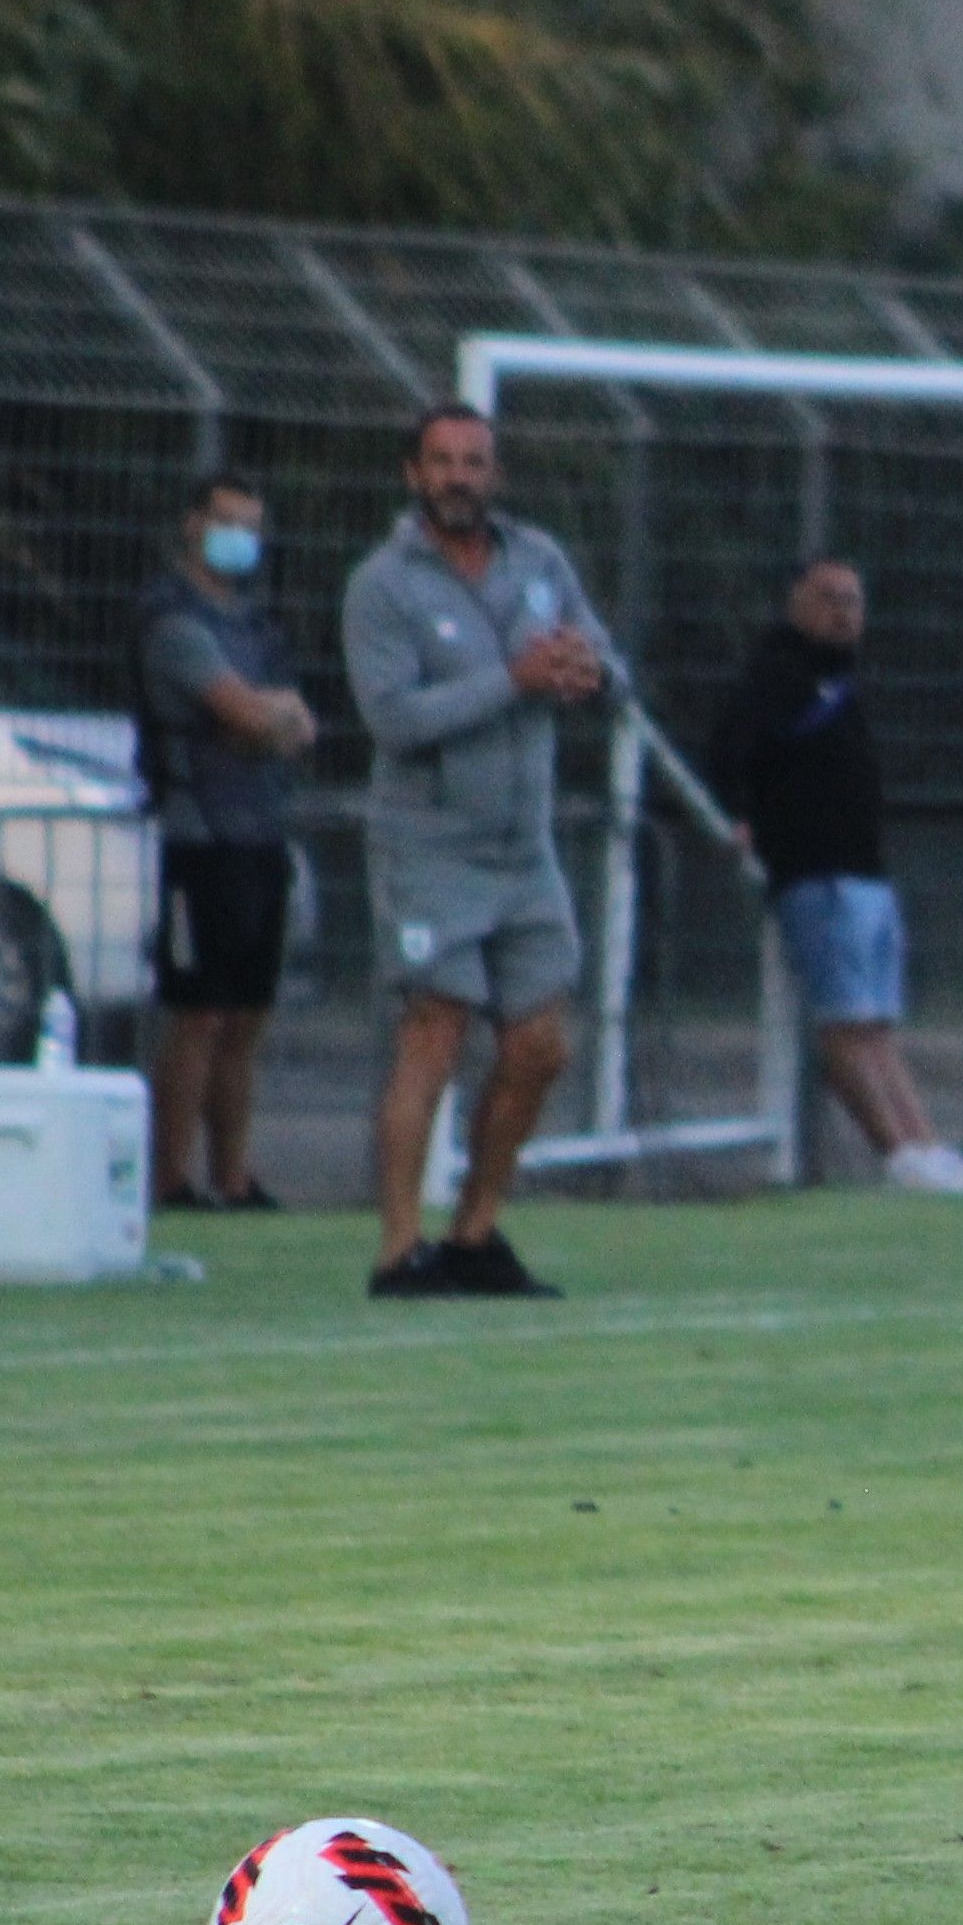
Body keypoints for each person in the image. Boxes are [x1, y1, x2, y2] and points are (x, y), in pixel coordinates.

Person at [341, 404, 613, 1300]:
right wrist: (515, 680)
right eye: (443, 462)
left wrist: (588, 670)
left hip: (523, 852)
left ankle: (475, 1232)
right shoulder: (384, 584)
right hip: (432, 850)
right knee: (435, 1035)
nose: (461, 477)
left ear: (495, 475)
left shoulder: (539, 562)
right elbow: (394, 718)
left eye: (476, 462)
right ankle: (397, 1251)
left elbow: (602, 656)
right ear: (413, 475)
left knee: (540, 1044)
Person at [712, 555, 963, 1194]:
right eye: (829, 598)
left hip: (866, 877)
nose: (843, 612)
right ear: (797, 604)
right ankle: (895, 1155)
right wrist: (739, 814)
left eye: (854, 601)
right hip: (818, 876)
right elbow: (728, 749)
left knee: (876, 1024)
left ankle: (925, 1145)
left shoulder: (842, 680)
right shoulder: (775, 676)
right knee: (844, 1024)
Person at [135, 470, 317, 1212]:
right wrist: (263, 718)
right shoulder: (171, 619)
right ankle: (170, 1178)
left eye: (251, 524)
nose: (240, 537)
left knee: (247, 1015)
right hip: (199, 838)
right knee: (199, 1011)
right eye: (226, 520)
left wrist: (267, 718)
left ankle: (233, 1178)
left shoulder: (257, 626)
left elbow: (299, 724)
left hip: (261, 834)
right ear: (193, 524)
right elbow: (248, 716)